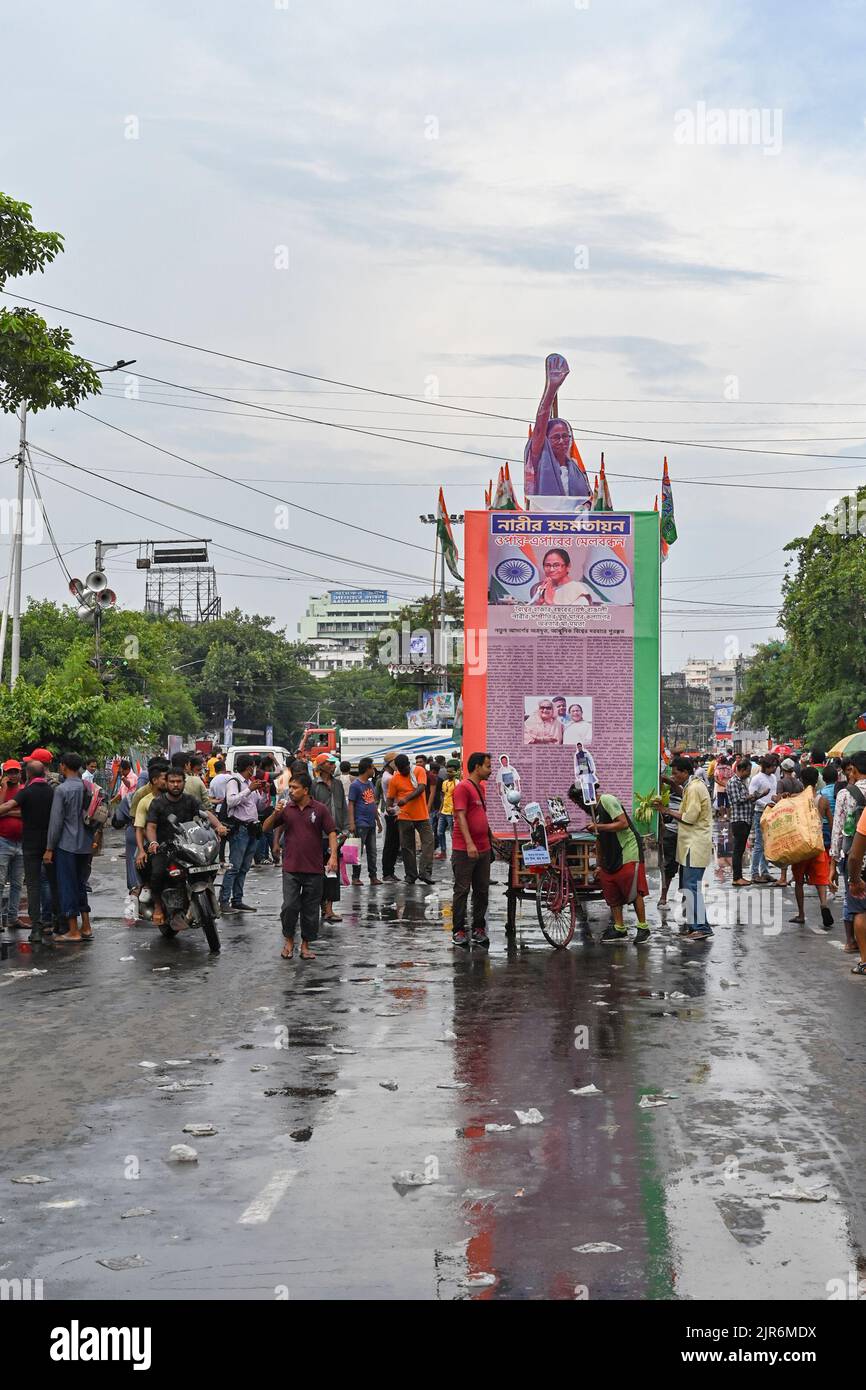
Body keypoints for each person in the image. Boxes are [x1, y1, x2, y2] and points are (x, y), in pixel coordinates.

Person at [264, 772, 338, 961]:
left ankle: (305, 945)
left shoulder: (320, 809)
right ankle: (289, 940)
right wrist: (275, 813)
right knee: (289, 906)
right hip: (291, 867)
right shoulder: (286, 809)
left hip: (314, 868)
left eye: (294, 788)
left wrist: (333, 857)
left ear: (306, 790)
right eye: (290, 787)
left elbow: (331, 832)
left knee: (310, 909)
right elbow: (265, 828)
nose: (291, 791)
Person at [655, 756, 713, 941]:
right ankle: (695, 925)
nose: (674, 777)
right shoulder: (691, 786)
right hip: (690, 844)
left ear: (685, 772)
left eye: (676, 773)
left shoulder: (695, 788)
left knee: (691, 887)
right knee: (688, 886)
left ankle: (701, 927)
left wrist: (667, 811)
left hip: (694, 845)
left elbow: (690, 817)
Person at [0, 759, 57, 943]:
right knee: (51, 882)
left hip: (30, 845)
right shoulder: (52, 791)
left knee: (32, 885)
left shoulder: (26, 792)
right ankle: (55, 921)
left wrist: (8, 810)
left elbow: (8, 807)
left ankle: (37, 928)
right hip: (50, 844)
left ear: (28, 774)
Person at [524, 354, 591, 502]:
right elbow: (541, 423)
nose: (562, 441)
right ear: (546, 440)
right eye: (555, 437)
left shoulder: (577, 471)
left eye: (565, 436)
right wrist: (551, 389)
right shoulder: (540, 461)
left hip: (575, 524)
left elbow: (587, 501)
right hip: (542, 523)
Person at [44, 752, 95, 942]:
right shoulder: (87, 787)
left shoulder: (62, 790)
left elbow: (56, 823)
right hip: (85, 844)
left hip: (67, 845)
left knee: (68, 886)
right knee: (82, 884)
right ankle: (87, 926)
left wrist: (49, 848)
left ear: (64, 766)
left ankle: (73, 930)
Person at [451, 752, 493, 949]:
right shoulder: (462, 788)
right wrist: (469, 844)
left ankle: (478, 928)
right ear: (477, 767)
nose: (490, 770)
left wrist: (490, 837)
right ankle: (459, 930)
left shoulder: (480, 789)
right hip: (464, 850)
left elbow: (480, 815)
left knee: (482, 890)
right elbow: (460, 816)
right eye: (488, 766)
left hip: (483, 848)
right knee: (462, 890)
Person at [786, 767, 834, 929]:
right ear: (816, 780)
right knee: (821, 880)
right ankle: (823, 904)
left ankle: (801, 914)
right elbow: (832, 824)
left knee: (799, 881)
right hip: (818, 845)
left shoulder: (796, 798)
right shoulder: (823, 800)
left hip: (801, 846)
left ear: (801, 780)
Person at [218, 753, 261, 914]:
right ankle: (224, 901)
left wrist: (261, 792)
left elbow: (257, 806)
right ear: (249, 767)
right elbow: (231, 801)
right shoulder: (234, 782)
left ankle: (237, 900)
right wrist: (249, 790)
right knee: (234, 866)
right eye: (252, 767)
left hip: (252, 829)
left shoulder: (250, 783)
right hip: (240, 829)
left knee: (244, 867)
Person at [311, 753, 348, 922]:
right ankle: (320, 906)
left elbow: (343, 807)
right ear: (321, 766)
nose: (333, 766)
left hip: (337, 834)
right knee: (318, 873)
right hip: (319, 835)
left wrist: (347, 828)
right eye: (330, 763)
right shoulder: (313, 786)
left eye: (334, 763)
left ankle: (329, 909)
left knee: (332, 872)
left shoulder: (338, 784)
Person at [388, 753, 434, 885]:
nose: (403, 772)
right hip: (404, 816)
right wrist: (388, 807)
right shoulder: (395, 779)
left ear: (409, 765)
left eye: (405, 769)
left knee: (429, 842)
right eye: (400, 770)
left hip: (421, 815)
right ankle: (411, 875)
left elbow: (421, 788)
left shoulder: (419, 771)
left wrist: (406, 799)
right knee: (407, 847)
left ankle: (425, 872)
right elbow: (390, 797)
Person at [348, 757, 382, 886]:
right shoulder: (355, 785)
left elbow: (372, 803)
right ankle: (355, 877)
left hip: (371, 823)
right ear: (368, 768)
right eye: (372, 767)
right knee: (358, 852)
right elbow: (351, 804)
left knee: (372, 852)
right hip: (360, 823)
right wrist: (352, 823)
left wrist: (378, 821)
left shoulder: (370, 784)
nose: (374, 770)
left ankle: (373, 876)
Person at [0, 760, 25, 934]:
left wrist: (6, 811)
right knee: (0, 883)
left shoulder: (23, 790)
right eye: (10, 772)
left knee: (17, 883)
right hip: (3, 841)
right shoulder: (3, 790)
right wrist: (2, 788)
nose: (13, 775)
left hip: (20, 843)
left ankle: (13, 917)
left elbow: (26, 812)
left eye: (15, 772)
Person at [748, 756, 779, 885]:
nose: (775, 768)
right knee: (759, 844)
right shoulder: (757, 779)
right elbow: (752, 797)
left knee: (768, 843)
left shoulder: (773, 778)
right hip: (760, 813)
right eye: (772, 766)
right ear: (766, 767)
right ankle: (754, 873)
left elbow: (774, 793)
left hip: (772, 813)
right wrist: (764, 804)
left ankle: (765, 872)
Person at [530, 549, 594, 606]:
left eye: (556, 565)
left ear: (568, 567)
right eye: (547, 565)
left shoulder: (578, 589)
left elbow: (578, 616)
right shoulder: (542, 588)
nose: (551, 569)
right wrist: (539, 602)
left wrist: (550, 603)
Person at [727, 757, 755, 887]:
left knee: (741, 849)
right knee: (738, 850)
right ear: (742, 769)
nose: (749, 773)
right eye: (748, 771)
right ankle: (737, 877)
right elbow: (737, 799)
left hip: (745, 819)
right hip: (739, 820)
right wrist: (750, 796)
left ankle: (739, 876)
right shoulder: (733, 782)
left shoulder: (742, 782)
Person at [379, 753, 401, 882]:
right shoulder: (389, 778)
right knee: (390, 844)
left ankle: (390, 871)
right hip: (391, 813)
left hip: (394, 812)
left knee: (394, 844)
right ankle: (387, 872)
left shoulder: (390, 776)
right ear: (390, 763)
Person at [437, 762, 458, 854]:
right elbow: (443, 796)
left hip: (452, 812)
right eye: (447, 772)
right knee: (439, 832)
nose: (448, 773)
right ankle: (443, 851)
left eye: (451, 772)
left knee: (453, 834)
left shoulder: (457, 783)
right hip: (443, 811)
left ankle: (454, 852)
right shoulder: (444, 783)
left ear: (454, 773)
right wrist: (440, 809)